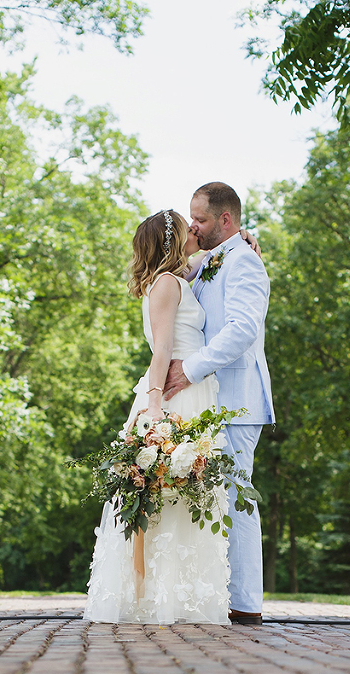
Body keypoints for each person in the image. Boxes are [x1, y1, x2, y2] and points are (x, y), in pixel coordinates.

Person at [84, 209, 231, 625]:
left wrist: (243, 242)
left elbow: (207, 260)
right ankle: (155, 599)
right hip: (175, 394)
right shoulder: (167, 284)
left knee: (185, 493)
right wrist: (153, 407)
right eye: (187, 227)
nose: (193, 230)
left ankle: (174, 597)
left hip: (193, 389)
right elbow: (162, 349)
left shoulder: (174, 279)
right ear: (172, 240)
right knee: (171, 494)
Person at [164, 182, 274, 626]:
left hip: (237, 400)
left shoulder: (244, 261)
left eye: (202, 219)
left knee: (236, 499)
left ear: (226, 220)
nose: (193, 225)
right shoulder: (208, 260)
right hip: (210, 402)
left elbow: (243, 329)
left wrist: (189, 369)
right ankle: (216, 596)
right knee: (210, 500)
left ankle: (246, 604)